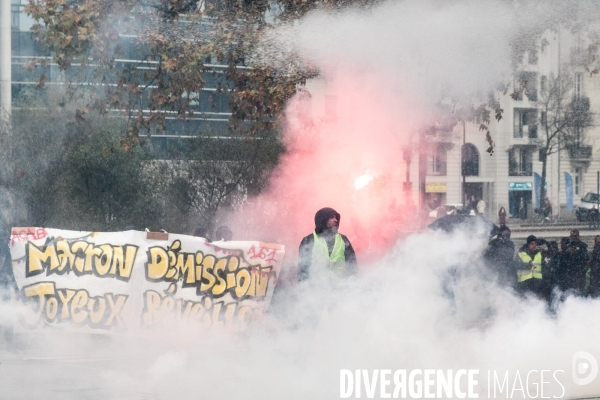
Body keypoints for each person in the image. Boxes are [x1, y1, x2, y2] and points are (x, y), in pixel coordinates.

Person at [298, 207, 358, 282]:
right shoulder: (308, 240)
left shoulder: (343, 239)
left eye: (336, 218)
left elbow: (352, 264)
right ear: (323, 219)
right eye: (332, 217)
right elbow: (303, 269)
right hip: (316, 290)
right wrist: (303, 289)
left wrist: (354, 284)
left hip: (341, 289)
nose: (336, 220)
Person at [564, 229, 589, 295]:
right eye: (572, 236)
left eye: (575, 236)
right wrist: (567, 252)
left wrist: (577, 252)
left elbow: (587, 258)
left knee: (580, 291)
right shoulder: (567, 246)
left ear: (578, 236)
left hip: (580, 272)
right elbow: (564, 259)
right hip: (570, 272)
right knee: (570, 291)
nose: (573, 238)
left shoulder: (583, 246)